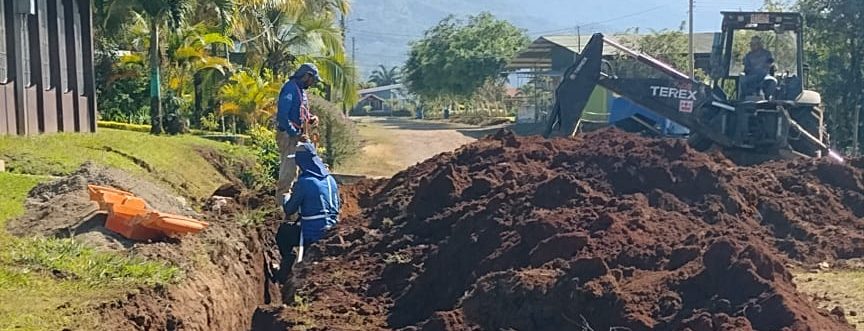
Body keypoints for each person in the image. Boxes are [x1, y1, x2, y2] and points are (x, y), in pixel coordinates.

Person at [275, 142, 340, 281]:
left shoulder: (305, 182)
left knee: (283, 234)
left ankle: (286, 268)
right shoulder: (331, 180)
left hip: (312, 232)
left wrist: (286, 196)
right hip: (333, 230)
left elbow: (289, 209)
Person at [276, 63, 321, 201]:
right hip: (289, 136)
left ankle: (299, 202)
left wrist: (311, 117)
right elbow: (283, 115)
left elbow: (300, 110)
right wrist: (294, 133)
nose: (312, 83)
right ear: (306, 76)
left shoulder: (300, 90)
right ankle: (283, 205)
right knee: (289, 171)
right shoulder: (290, 88)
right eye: (312, 80)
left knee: (307, 165)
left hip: (299, 135)